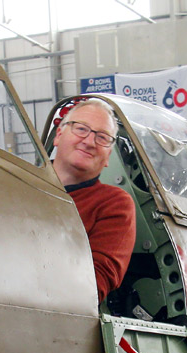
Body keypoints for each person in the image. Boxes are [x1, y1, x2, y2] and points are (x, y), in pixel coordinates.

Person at [51, 99, 137, 303]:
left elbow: (92, 286)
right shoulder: (17, 182)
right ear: (59, 135)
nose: (89, 142)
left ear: (108, 156)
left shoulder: (115, 204)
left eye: (102, 138)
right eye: (81, 129)